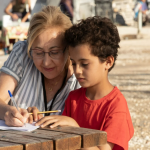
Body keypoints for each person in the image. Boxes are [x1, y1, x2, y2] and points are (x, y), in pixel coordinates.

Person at [35, 17, 134, 150]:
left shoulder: (116, 105)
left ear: (108, 62)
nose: (77, 71)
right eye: (74, 63)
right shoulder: (73, 98)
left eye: (84, 64)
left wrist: (75, 128)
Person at [0, 5, 80, 127]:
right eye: (38, 52)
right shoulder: (22, 53)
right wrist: (6, 111)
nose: (46, 62)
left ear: (68, 49)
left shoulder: (79, 74)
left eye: (54, 52)